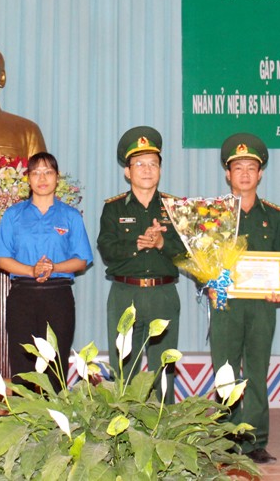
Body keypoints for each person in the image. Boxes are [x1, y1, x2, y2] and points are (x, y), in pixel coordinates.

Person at [209, 133, 280, 464]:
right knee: (226, 372)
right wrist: (209, 282)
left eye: (251, 168)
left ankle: (255, 440)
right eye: (238, 168)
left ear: (260, 174)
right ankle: (227, 438)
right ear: (228, 174)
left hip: (261, 306)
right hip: (226, 304)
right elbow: (201, 257)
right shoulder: (213, 216)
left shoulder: (274, 215)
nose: (244, 174)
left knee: (257, 371)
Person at [0, 151, 93, 392]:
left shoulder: (70, 216)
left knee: (55, 364)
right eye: (36, 173)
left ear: (57, 177)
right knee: (22, 364)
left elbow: (82, 259)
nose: (42, 178)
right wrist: (31, 269)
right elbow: (2, 258)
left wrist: (54, 267)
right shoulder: (14, 214)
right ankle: (24, 414)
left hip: (58, 296)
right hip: (22, 295)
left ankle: (55, 416)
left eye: (48, 172)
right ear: (28, 178)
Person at [97, 126, 185, 401]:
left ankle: (164, 423)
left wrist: (161, 243)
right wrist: (136, 245)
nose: (147, 170)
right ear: (127, 171)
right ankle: (125, 425)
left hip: (163, 294)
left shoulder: (175, 207)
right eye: (139, 164)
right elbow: (106, 249)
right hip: (125, 294)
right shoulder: (113, 208)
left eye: (153, 164)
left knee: (164, 368)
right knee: (124, 368)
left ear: (160, 169)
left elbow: (187, 253)